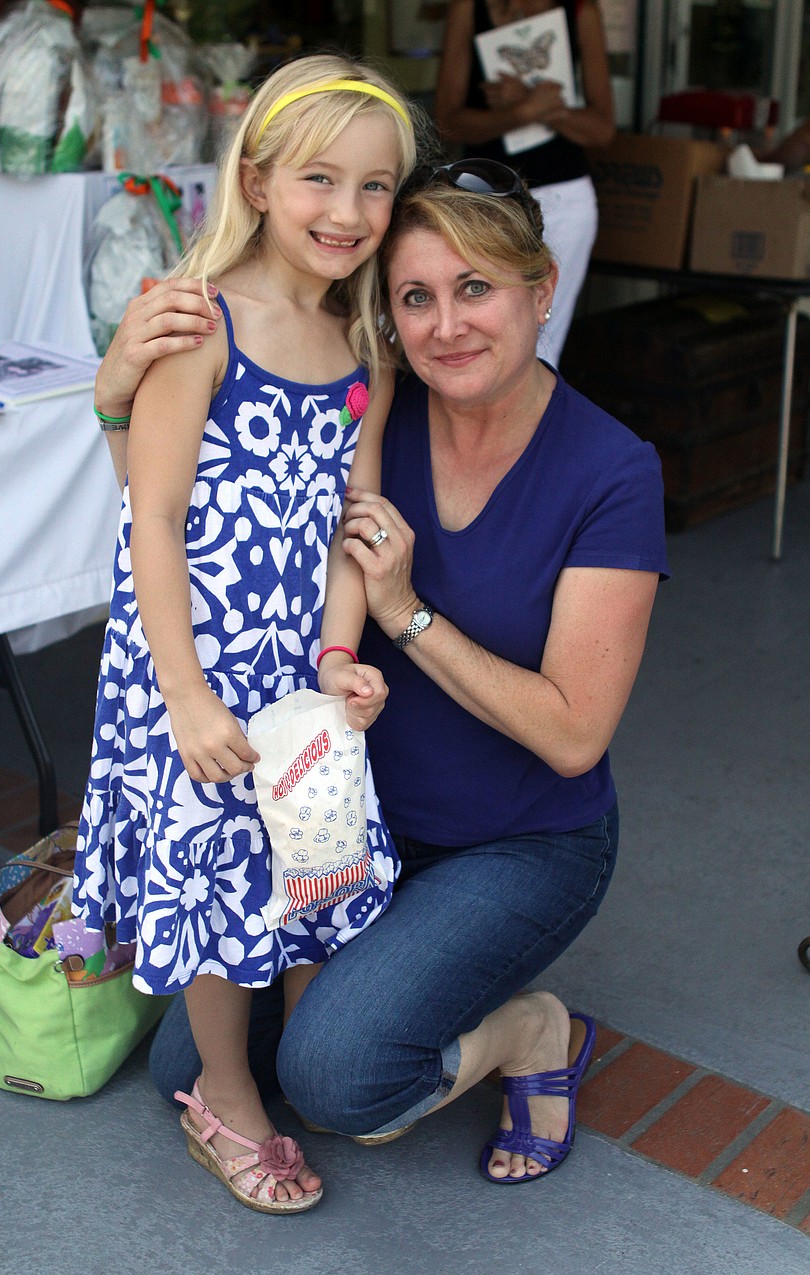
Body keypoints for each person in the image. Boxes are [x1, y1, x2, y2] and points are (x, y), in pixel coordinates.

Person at [93, 156, 668, 1187]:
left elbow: (575, 732)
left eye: (476, 288)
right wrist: (114, 401)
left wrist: (402, 611)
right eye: (416, 297)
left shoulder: (610, 469)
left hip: (520, 838)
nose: (446, 325)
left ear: (541, 288)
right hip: (349, 818)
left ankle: (531, 1032)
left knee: (337, 1085)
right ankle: (390, 982)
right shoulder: (370, 403)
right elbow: (184, 514)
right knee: (184, 1061)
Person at [73, 53, 420, 1214]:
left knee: (306, 864)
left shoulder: (362, 348)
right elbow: (152, 515)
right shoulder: (199, 322)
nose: (350, 212)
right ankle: (225, 1093)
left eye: (376, 189)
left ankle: (314, 1059)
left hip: (289, 674)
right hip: (196, 672)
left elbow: (342, 531)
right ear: (259, 181)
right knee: (221, 879)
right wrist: (183, 694)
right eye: (322, 179)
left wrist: (336, 660)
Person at [433, 0, 614, 365]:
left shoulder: (582, 11)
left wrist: (539, 105)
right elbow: (448, 121)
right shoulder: (469, 8)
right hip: (485, 199)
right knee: (479, 327)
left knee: (544, 340)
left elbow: (602, 129)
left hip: (564, 198)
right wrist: (521, 113)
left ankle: (533, 422)